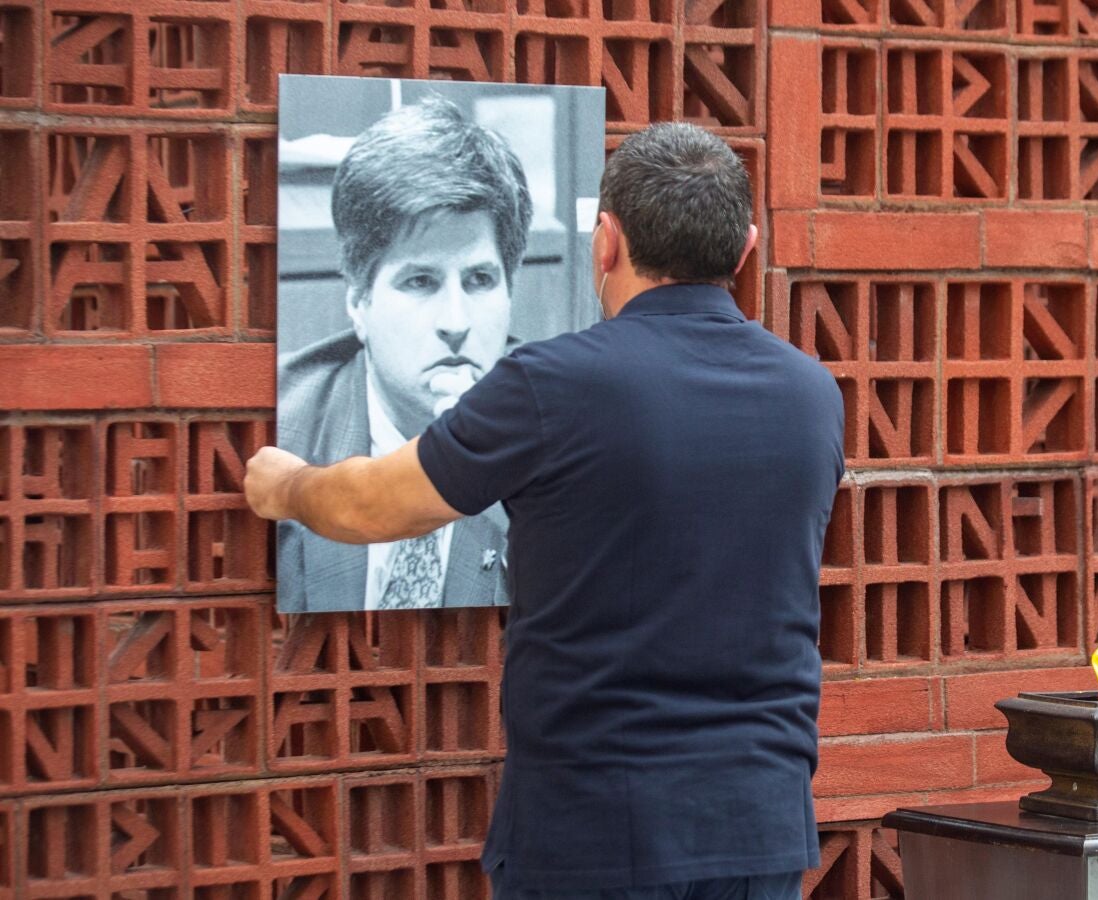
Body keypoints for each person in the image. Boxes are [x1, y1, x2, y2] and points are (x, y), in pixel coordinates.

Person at [246, 122, 845, 898]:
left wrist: (288, 486)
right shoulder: (812, 394)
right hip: (759, 827)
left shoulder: (552, 385)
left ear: (606, 242)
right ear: (745, 250)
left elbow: (373, 506)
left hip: (594, 830)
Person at [275, 96, 531, 612]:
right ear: (358, 301)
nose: (456, 322)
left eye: (480, 280)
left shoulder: (565, 439)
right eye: (420, 281)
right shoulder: (279, 429)